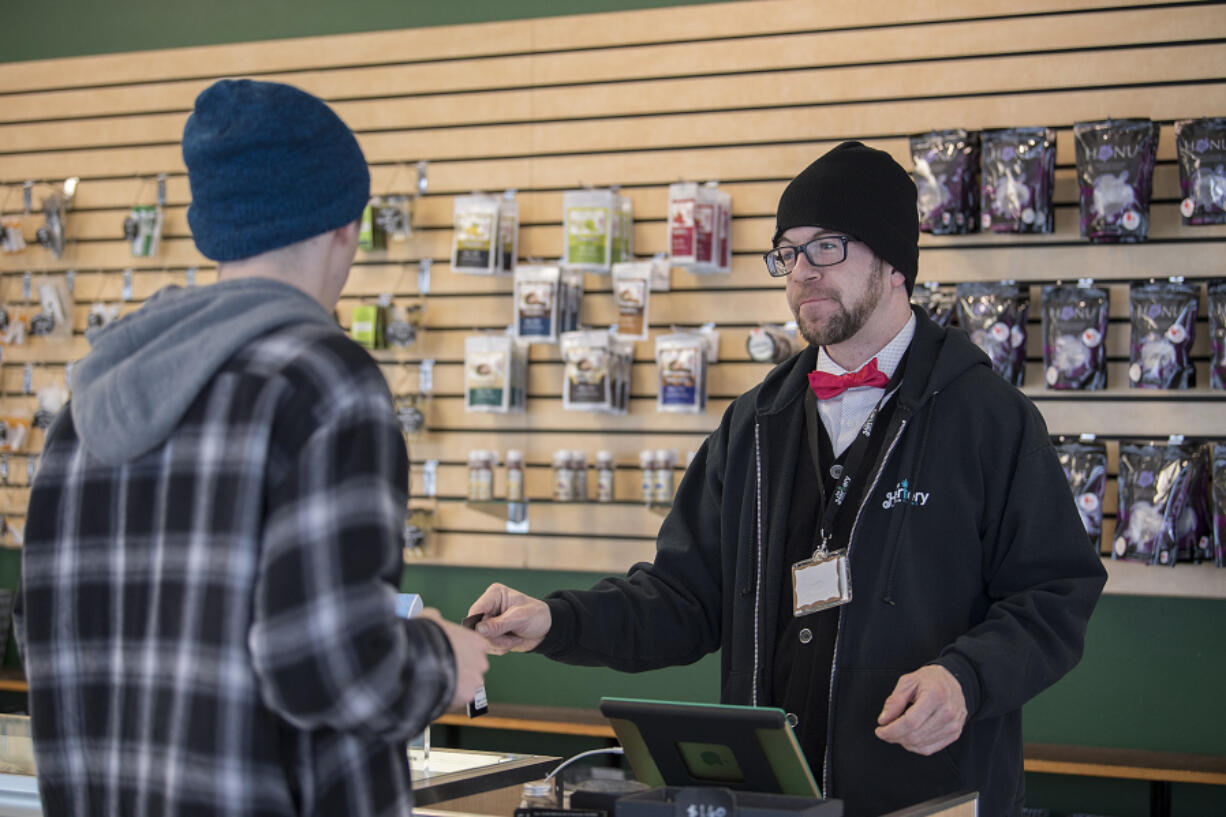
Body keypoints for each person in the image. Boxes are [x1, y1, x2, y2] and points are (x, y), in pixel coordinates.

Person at [470, 141, 1106, 817]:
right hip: (768, 803)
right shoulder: (755, 423)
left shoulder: (990, 418)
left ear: (894, 261)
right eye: (788, 252)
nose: (801, 271)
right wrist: (557, 620)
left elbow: (1055, 595)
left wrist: (964, 678)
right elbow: (683, 598)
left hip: (931, 800)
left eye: (826, 246)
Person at [16, 79, 488, 816]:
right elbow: (327, 667)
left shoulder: (86, 408)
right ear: (346, 226)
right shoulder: (323, 380)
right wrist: (440, 658)